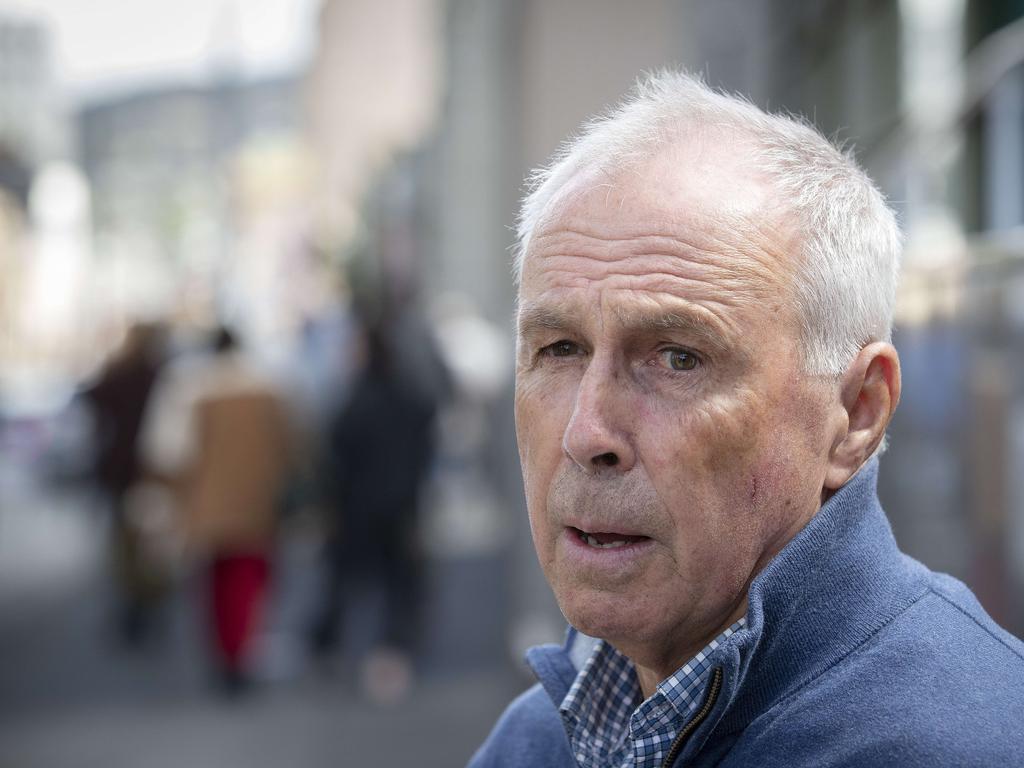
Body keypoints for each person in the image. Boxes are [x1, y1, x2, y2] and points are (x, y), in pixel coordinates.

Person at [470, 71, 1024, 767]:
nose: (586, 434)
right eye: (558, 349)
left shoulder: (958, 744)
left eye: (677, 358)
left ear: (856, 413)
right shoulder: (542, 738)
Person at [142, 325, 291, 694]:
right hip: (257, 503)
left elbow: (168, 452)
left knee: (215, 587)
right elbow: (292, 445)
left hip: (207, 507)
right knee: (249, 583)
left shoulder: (191, 389)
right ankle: (242, 651)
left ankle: (226, 655)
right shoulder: (268, 387)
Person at [308, 318, 443, 702]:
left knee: (342, 581)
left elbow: (334, 456)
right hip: (401, 505)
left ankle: (327, 647)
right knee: (400, 584)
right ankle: (392, 653)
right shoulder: (410, 398)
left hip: (356, 509)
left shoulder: (354, 401)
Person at [81, 321, 168, 646]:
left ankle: (134, 608)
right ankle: (144, 606)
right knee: (149, 544)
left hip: (123, 471)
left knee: (126, 545)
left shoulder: (119, 372)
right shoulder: (159, 376)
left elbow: (91, 399)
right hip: (148, 470)